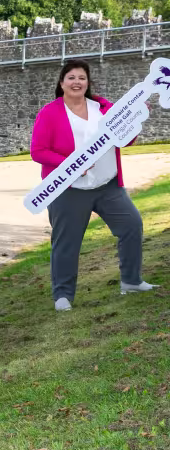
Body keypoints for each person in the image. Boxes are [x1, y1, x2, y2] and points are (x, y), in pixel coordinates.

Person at [31, 59, 157, 312]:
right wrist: (70, 163)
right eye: (71, 78)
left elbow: (125, 140)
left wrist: (136, 119)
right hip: (69, 190)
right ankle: (63, 295)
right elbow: (38, 151)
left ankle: (131, 281)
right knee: (67, 243)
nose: (77, 82)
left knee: (132, 225)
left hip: (107, 186)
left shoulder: (103, 107)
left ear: (88, 83)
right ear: (62, 83)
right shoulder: (50, 112)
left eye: (82, 78)